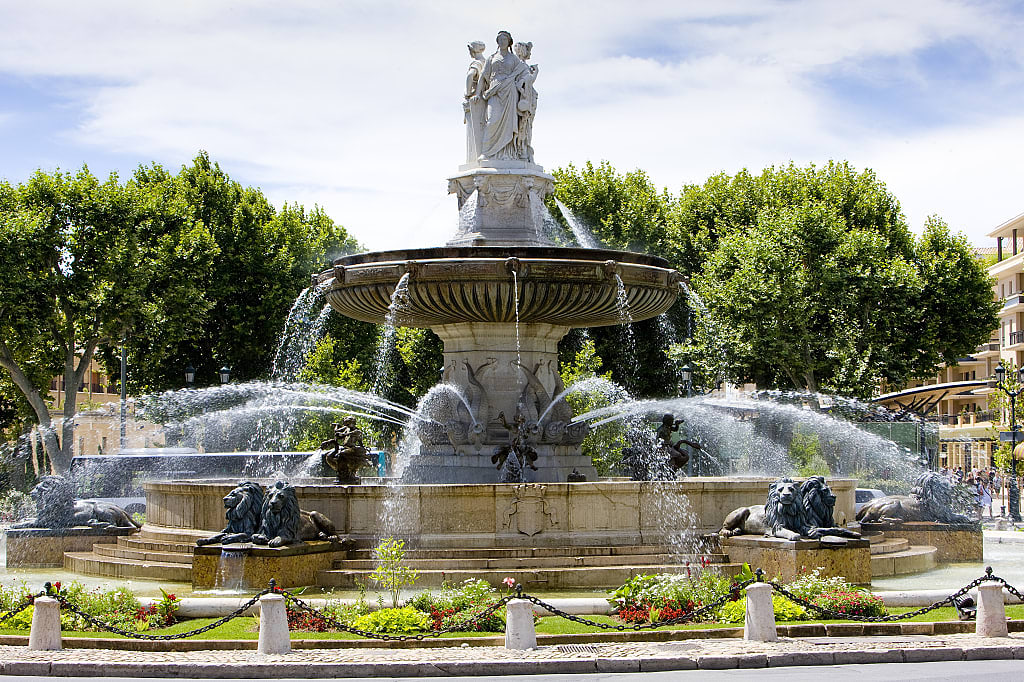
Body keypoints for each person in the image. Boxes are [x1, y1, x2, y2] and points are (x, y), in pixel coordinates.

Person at [476, 31, 530, 161]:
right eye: (500, 39)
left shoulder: (514, 59)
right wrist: (478, 93)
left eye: (505, 39)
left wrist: (522, 81)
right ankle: (486, 152)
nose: (502, 41)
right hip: (494, 90)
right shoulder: (492, 58)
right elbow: (483, 76)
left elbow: (525, 72)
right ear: (497, 41)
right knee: (492, 120)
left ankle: (507, 153)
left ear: (509, 41)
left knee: (508, 123)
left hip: (509, 92)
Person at [463, 41, 487, 163]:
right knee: (482, 130)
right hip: (484, 100)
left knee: (474, 132)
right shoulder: (486, 62)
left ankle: (474, 159)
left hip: (475, 100)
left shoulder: (476, 63)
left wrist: (468, 93)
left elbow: (470, 76)